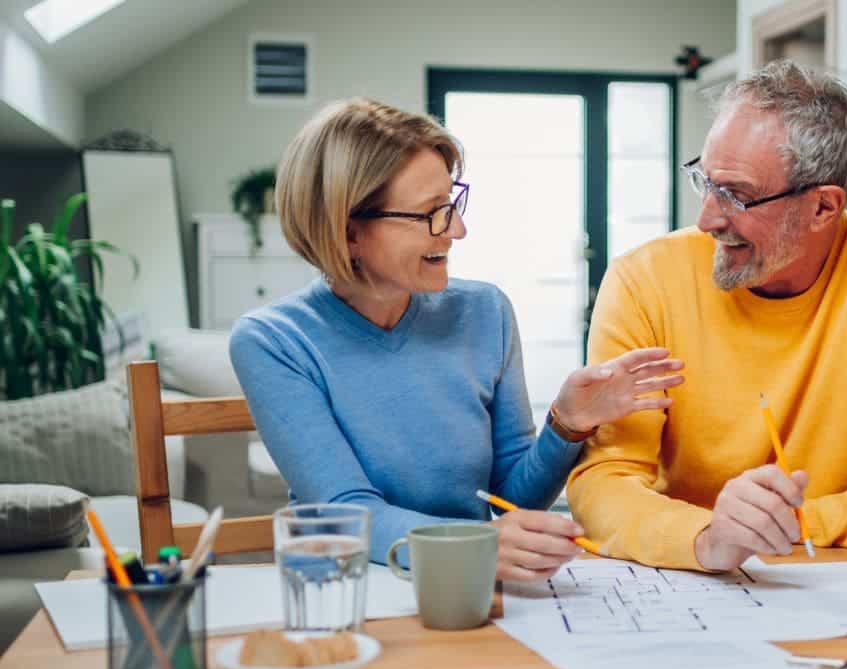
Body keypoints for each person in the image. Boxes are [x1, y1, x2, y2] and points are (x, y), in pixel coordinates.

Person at [567, 61, 847, 572]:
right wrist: (709, 538)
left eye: (736, 195)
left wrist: (787, 524)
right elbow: (603, 484)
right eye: (705, 182)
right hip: (696, 584)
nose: (707, 218)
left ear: (824, 207)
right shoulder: (644, 282)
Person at [229, 98, 683, 581]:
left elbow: (513, 498)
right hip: (349, 590)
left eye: (453, 204)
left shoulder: (485, 312)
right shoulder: (273, 341)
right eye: (432, 213)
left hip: (468, 587)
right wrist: (479, 543)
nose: (458, 230)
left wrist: (567, 424)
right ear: (348, 232)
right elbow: (345, 511)